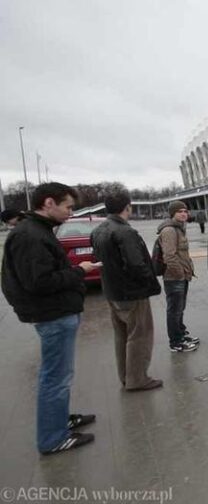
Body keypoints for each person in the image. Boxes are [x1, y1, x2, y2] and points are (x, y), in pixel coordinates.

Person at [1, 183, 98, 454]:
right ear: (48, 203)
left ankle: (59, 420)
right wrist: (79, 271)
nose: (70, 212)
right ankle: (53, 438)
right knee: (56, 378)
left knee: (59, 375)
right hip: (53, 314)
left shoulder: (36, 230)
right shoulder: (30, 236)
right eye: (68, 207)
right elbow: (39, 282)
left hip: (56, 311)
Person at [91, 192, 163, 391]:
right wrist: (149, 281)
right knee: (139, 336)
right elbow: (136, 264)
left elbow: (98, 258)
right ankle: (138, 379)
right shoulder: (125, 232)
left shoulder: (98, 231)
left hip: (112, 291)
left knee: (121, 335)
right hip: (132, 292)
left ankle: (125, 376)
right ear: (127, 207)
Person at [158, 201, 199, 353]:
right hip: (174, 277)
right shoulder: (169, 230)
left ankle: (181, 334)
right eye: (179, 211)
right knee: (174, 310)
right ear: (172, 214)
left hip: (182, 276)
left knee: (180, 308)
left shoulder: (179, 228)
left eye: (185, 211)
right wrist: (180, 273)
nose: (183, 214)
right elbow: (169, 256)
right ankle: (175, 342)